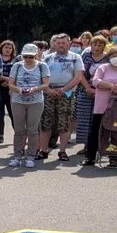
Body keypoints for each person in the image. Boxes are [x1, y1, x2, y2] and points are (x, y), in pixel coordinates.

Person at [39, 34, 83, 162]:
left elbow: (78, 77)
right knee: (45, 122)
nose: (61, 45)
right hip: (49, 91)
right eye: (58, 43)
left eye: (63, 43)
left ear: (69, 43)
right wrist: (47, 89)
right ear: (54, 44)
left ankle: (62, 151)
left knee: (65, 123)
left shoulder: (76, 58)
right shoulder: (46, 58)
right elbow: (40, 76)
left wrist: (64, 90)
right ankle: (43, 150)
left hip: (67, 93)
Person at [7, 43, 49, 169]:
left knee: (32, 130)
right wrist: (19, 90)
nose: (28, 59)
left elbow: (46, 84)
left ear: (36, 55)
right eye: (26, 56)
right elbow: (11, 83)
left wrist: (35, 89)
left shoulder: (42, 66)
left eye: (31, 56)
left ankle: (31, 156)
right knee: (19, 130)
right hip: (18, 100)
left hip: (35, 101)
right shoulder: (17, 66)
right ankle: (17, 156)